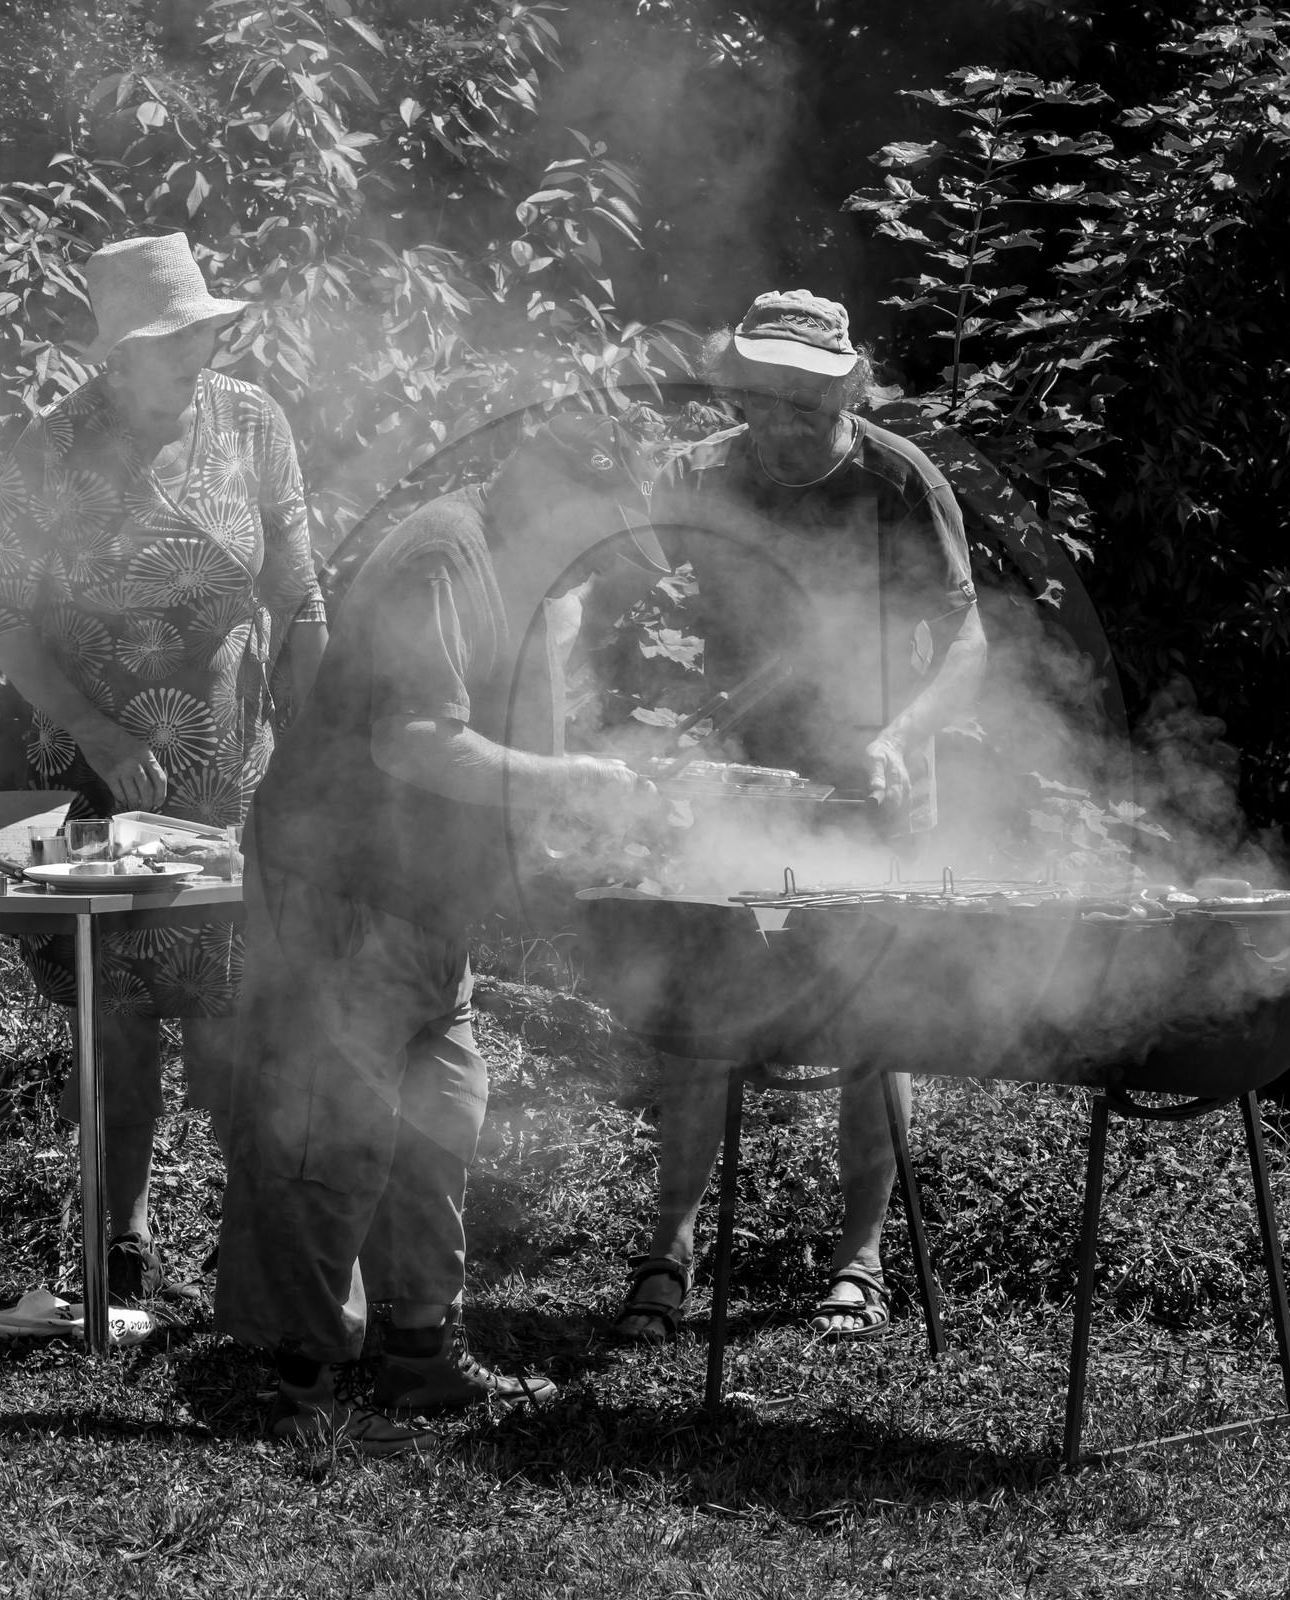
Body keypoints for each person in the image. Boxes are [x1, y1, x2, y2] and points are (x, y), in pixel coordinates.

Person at [215, 416, 664, 1454]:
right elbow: (409, 739)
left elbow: (498, 748)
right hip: (341, 886)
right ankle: (303, 1382)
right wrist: (573, 783)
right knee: (333, 1132)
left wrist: (563, 828)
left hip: (424, 904)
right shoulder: (443, 553)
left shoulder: (517, 573)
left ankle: (420, 1354)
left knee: (440, 1116)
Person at [612, 290, 987, 1344]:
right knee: (698, 1008)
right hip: (737, 785)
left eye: (802, 402)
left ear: (844, 390)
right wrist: (652, 731)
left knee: (873, 1021)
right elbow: (622, 608)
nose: (776, 421)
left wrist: (905, 737)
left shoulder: (899, 480)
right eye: (760, 397)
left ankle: (859, 1258)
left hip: (876, 784)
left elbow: (967, 645)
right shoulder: (696, 476)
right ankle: (667, 1251)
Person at [0, 233, 327, 1301]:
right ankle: (117, 1250)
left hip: (234, 782)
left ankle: (251, 1249)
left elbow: (302, 602)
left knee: (239, 1024)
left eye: (206, 334)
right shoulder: (53, 446)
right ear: (117, 353)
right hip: (92, 779)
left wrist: (310, 757)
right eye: (172, 341)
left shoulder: (252, 419)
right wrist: (98, 730)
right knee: (117, 1022)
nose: (197, 355)